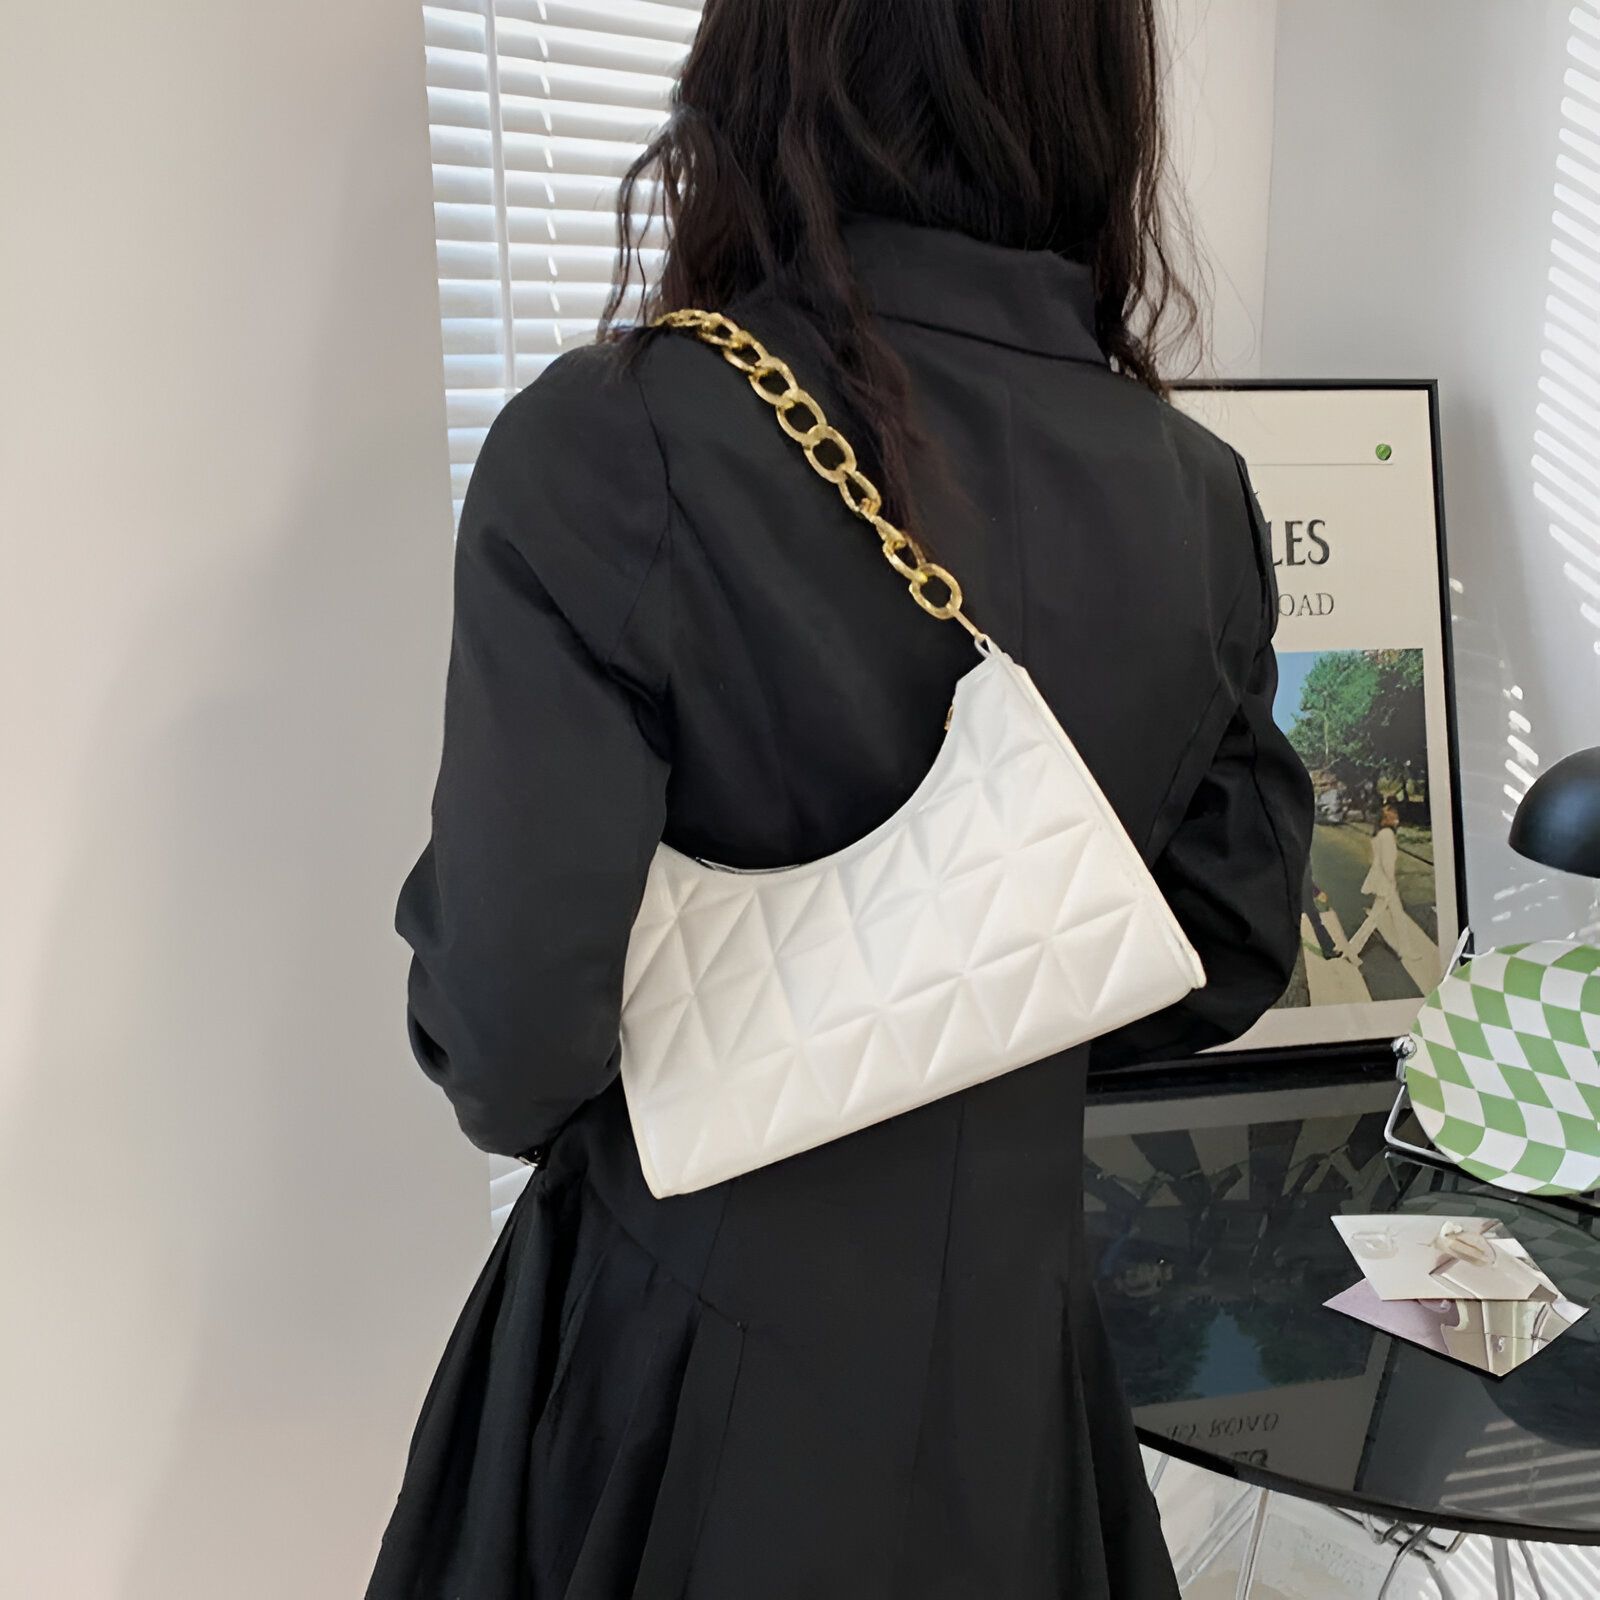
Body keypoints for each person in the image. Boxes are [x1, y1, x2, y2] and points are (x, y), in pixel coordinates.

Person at [368, 2, 1313, 1595]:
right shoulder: (1195, 490)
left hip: (677, 1382)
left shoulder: (622, 443)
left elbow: (515, 1048)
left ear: (769, 63)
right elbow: (1223, 936)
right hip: (1019, 1391)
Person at [1345, 803, 1438, 993]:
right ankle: (1352, 950)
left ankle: (1405, 949)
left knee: (1397, 916)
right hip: (1386, 883)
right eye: (1394, 816)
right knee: (1375, 918)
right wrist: (1391, 881)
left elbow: (1374, 860)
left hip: (1382, 881)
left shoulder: (1378, 835)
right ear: (1387, 819)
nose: (1397, 818)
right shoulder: (1387, 835)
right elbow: (1387, 863)